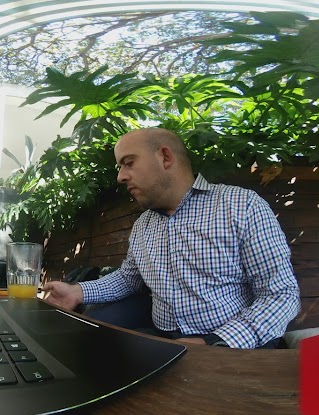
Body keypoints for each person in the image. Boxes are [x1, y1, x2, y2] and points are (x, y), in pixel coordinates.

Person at [42, 128, 300, 349]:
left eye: (129, 163)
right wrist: (77, 291)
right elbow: (129, 279)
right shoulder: (143, 225)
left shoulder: (241, 206)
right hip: (164, 340)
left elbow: (282, 294)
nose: (120, 176)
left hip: (232, 345)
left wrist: (217, 342)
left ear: (165, 157)